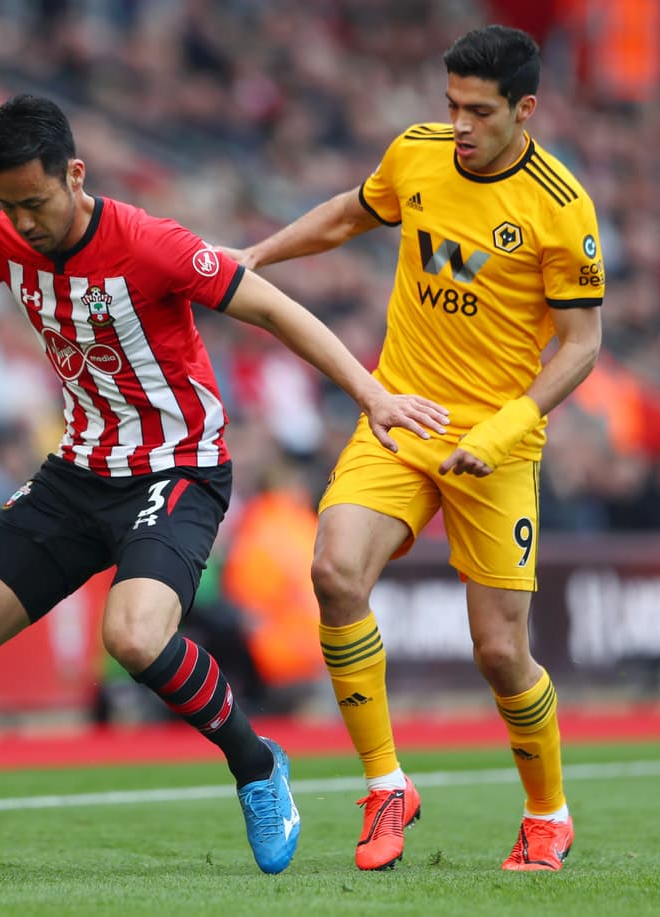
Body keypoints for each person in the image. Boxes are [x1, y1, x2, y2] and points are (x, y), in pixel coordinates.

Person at [0, 94, 448, 876]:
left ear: (75, 174)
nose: (24, 222)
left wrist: (370, 392)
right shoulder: (9, 233)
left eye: (35, 202)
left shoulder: (152, 245)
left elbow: (272, 307)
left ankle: (258, 766)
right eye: (8, 205)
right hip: (78, 472)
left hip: (178, 467)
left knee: (134, 636)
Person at [224, 25, 604, 872]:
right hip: (398, 416)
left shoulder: (560, 203)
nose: (460, 125)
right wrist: (257, 253)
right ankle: (385, 784)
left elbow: (581, 345)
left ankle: (548, 812)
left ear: (524, 111)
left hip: (496, 443)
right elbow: (348, 214)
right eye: (451, 106)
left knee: (501, 653)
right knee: (332, 572)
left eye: (478, 111)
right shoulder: (418, 153)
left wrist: (506, 429)